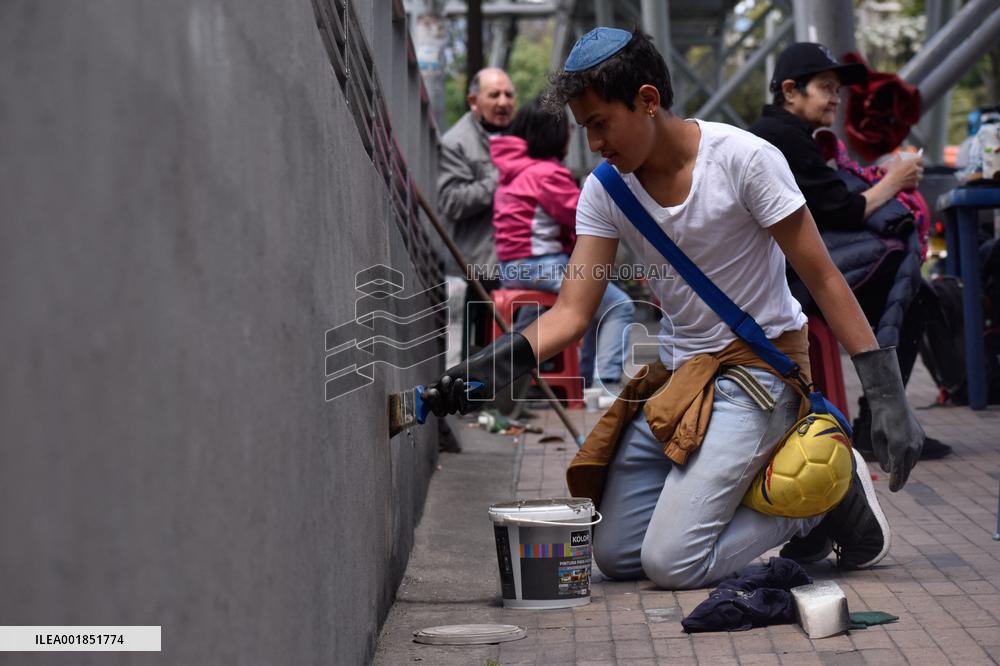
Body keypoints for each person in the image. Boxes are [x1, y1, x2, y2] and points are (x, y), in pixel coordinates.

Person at [420, 28, 924, 589]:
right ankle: (758, 485)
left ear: (648, 101)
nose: (593, 144)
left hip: (761, 373)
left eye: (600, 123)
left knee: (672, 564)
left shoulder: (745, 160)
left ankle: (820, 496)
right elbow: (571, 313)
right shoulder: (606, 190)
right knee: (617, 555)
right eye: (584, 129)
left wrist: (886, 395)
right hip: (682, 378)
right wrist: (481, 372)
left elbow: (825, 279)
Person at [748, 42, 951, 461]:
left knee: (910, 288)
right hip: (790, 283)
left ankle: (877, 417)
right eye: (825, 87)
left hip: (790, 274)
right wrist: (893, 180)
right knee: (912, 291)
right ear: (790, 91)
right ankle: (879, 420)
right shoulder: (780, 137)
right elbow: (842, 210)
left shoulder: (789, 136)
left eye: (837, 90)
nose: (836, 99)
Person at [491, 98, 635, 388]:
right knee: (618, 306)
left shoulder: (513, 171)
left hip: (511, 268)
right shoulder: (547, 174)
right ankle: (604, 384)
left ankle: (577, 380)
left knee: (591, 306)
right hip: (541, 265)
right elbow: (581, 214)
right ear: (555, 134)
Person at [437, 68, 517, 360]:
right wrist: (500, 179)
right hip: (473, 266)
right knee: (471, 350)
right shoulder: (456, 143)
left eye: (509, 94)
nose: (503, 102)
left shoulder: (518, 137)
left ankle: (506, 399)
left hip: (512, 262)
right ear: (473, 101)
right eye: (494, 95)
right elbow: (451, 202)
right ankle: (472, 400)